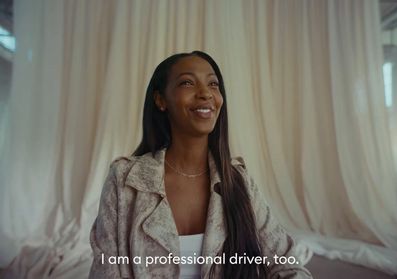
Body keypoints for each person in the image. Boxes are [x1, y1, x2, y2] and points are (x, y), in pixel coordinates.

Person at [89, 51, 313, 278]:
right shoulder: (125, 180)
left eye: (213, 84)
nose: (206, 93)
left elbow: (287, 266)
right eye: (187, 82)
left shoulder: (238, 181)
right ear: (160, 100)